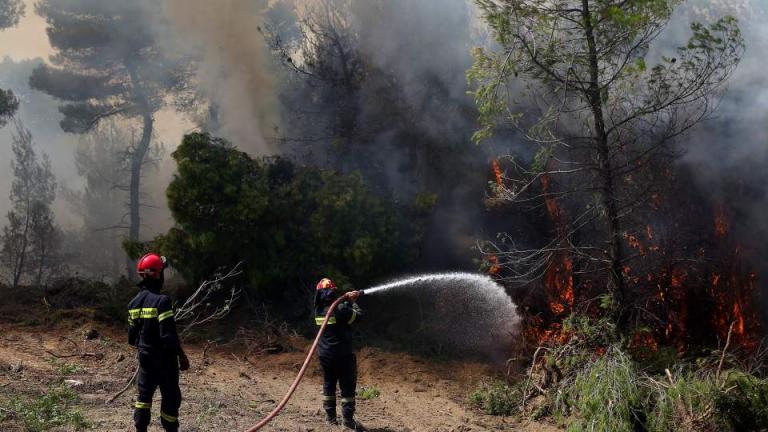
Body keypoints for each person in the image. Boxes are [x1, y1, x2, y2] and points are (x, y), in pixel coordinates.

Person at [128, 253, 190, 432]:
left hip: (145, 358)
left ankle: (141, 429)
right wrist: (181, 356)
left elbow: (132, 339)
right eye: (162, 272)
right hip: (164, 360)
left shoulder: (133, 304)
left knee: (144, 396)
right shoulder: (162, 302)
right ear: (156, 275)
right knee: (171, 397)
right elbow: (168, 336)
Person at [314, 278, 364, 430]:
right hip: (343, 356)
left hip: (325, 355)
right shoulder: (341, 309)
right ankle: (348, 421)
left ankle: (330, 418)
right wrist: (352, 301)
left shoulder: (317, 310)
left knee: (329, 385)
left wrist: (345, 301)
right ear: (332, 292)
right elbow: (359, 316)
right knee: (347, 387)